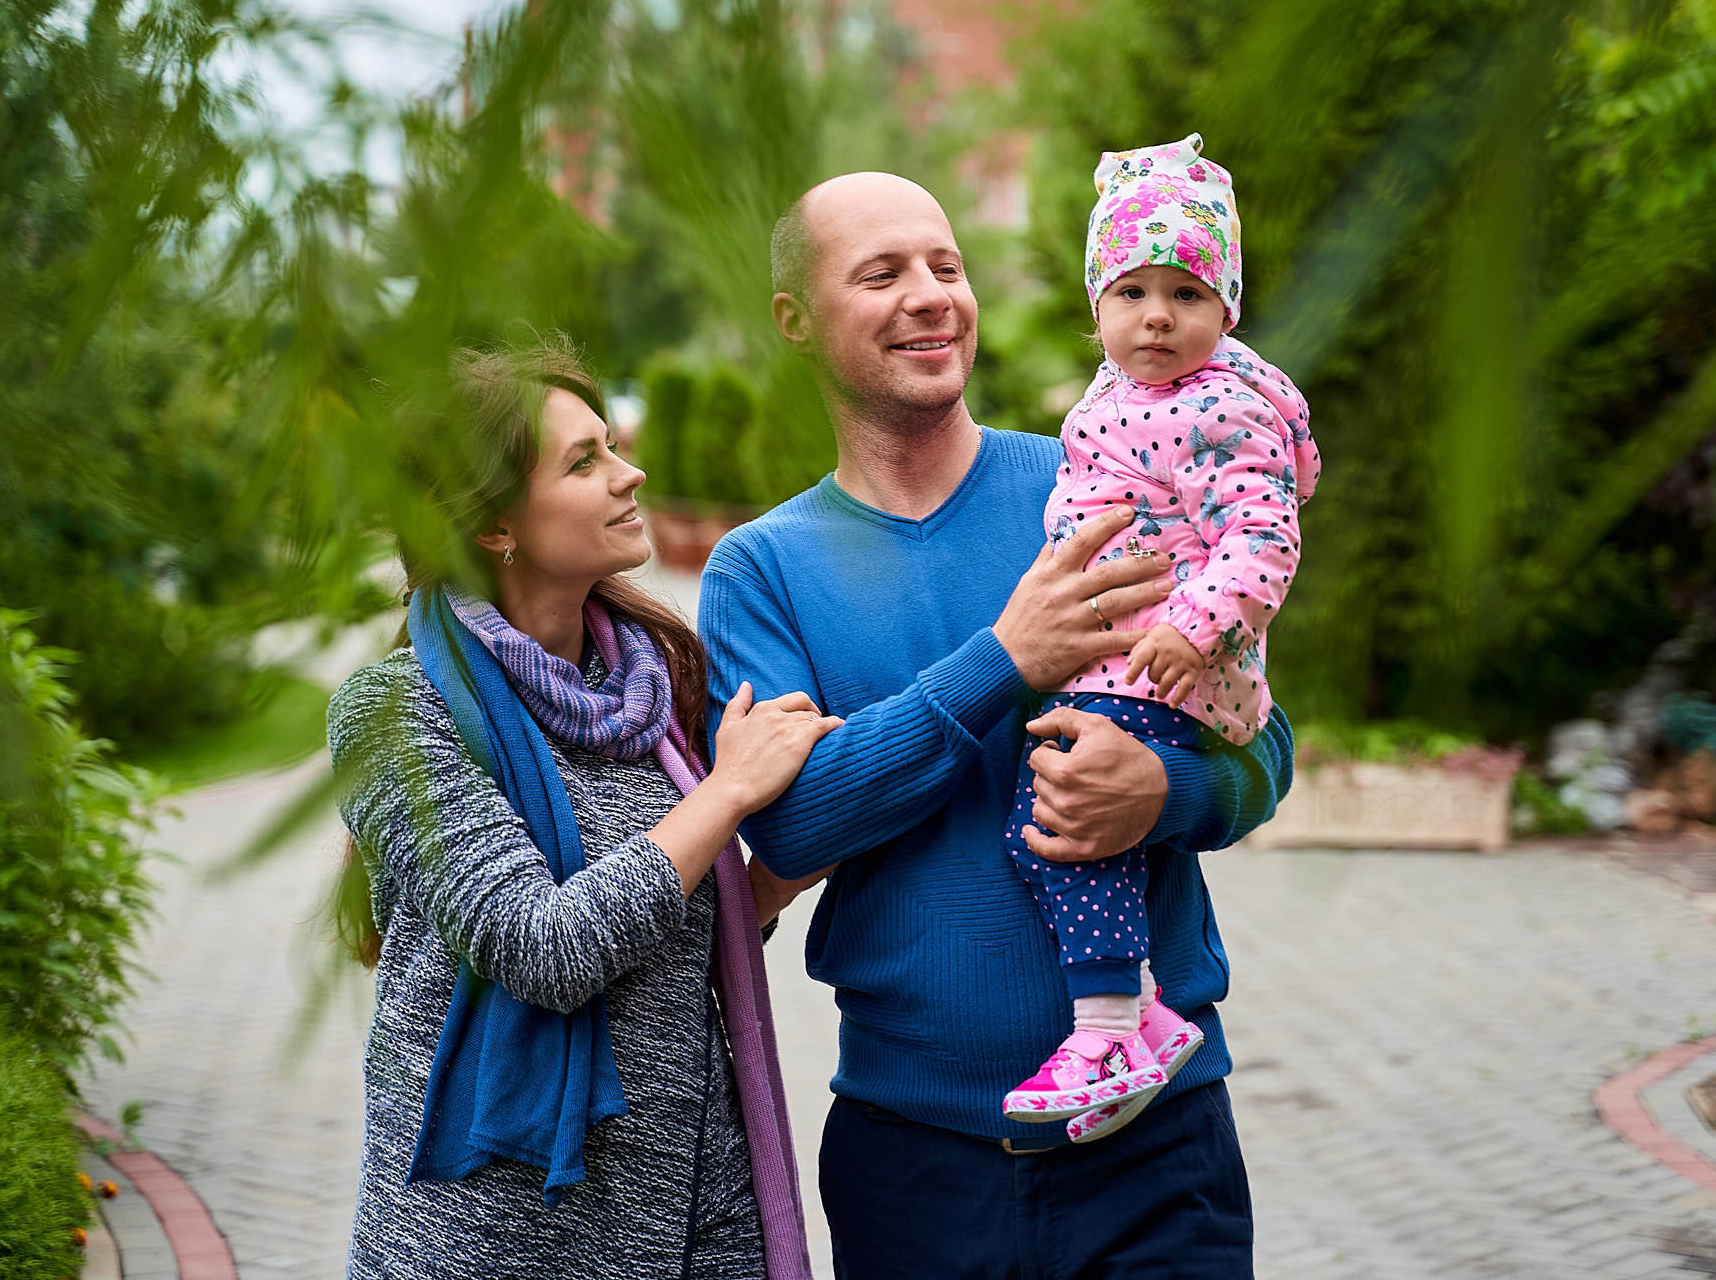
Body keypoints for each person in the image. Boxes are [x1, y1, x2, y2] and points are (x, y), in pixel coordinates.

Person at [694, 170, 1294, 1277]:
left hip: (1159, 1145)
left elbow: (1262, 747)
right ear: (794, 321)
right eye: (881, 274)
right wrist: (1002, 662)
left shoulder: (1096, 477)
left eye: (946, 266)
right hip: (915, 1159)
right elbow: (789, 828)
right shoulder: (760, 571)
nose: (930, 295)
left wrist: (1164, 793)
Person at [329, 340, 831, 1280]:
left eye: (613, 445)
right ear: (494, 527)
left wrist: (778, 873)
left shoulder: (649, 685)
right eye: (584, 460)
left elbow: (663, 932)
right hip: (497, 1233)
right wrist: (726, 794)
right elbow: (544, 948)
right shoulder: (393, 715)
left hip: (691, 1201)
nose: (629, 471)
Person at [1000, 133, 1321, 1142]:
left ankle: (1116, 1019)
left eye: (1183, 294)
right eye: (1129, 291)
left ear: (1224, 312)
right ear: (1095, 306)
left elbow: (1264, 538)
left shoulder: (1220, 407)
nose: (1155, 315)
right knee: (1036, 829)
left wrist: (1190, 627)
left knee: (1065, 822)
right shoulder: (1113, 400)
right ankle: (1123, 1014)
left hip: (1161, 669)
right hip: (1118, 659)